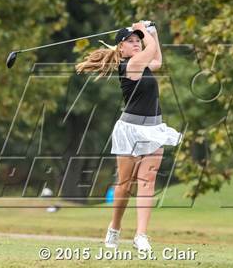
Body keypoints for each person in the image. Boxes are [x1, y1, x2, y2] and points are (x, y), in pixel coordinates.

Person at [76, 22, 182, 251]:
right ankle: (114, 227)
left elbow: (157, 61)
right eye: (131, 41)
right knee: (124, 185)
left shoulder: (142, 64)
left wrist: (152, 32)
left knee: (147, 182)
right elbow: (150, 50)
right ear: (121, 49)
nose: (136, 44)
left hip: (154, 129)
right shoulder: (130, 65)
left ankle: (141, 235)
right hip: (130, 131)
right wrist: (144, 31)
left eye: (137, 41)